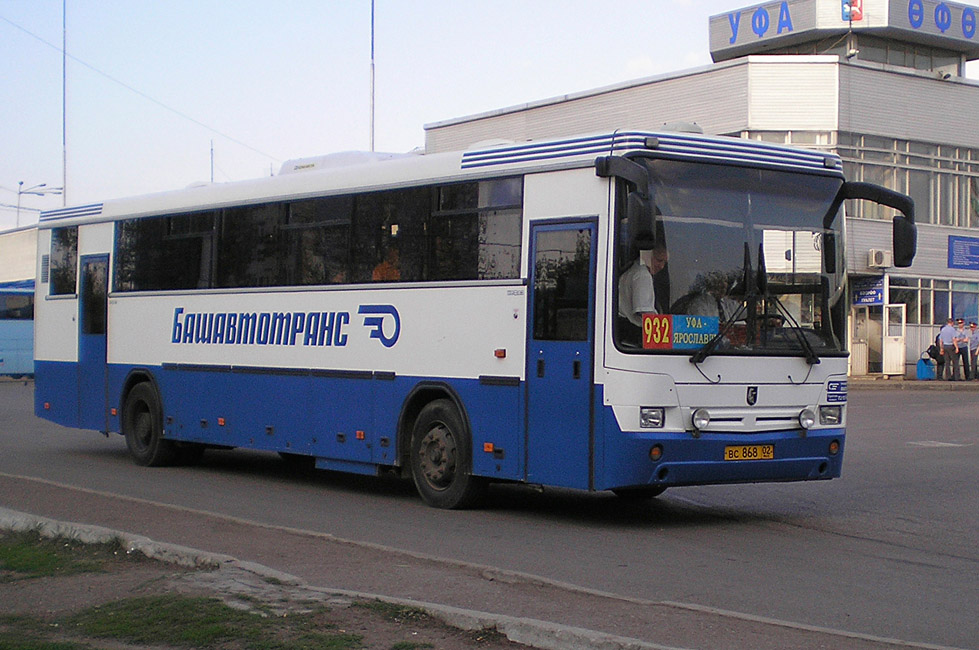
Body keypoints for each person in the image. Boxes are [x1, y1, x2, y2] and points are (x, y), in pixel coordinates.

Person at [618, 236, 668, 341]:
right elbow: (645, 312)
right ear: (646, 256)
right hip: (634, 332)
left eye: (665, 262)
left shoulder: (633, 270)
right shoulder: (642, 275)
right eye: (659, 260)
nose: (662, 266)